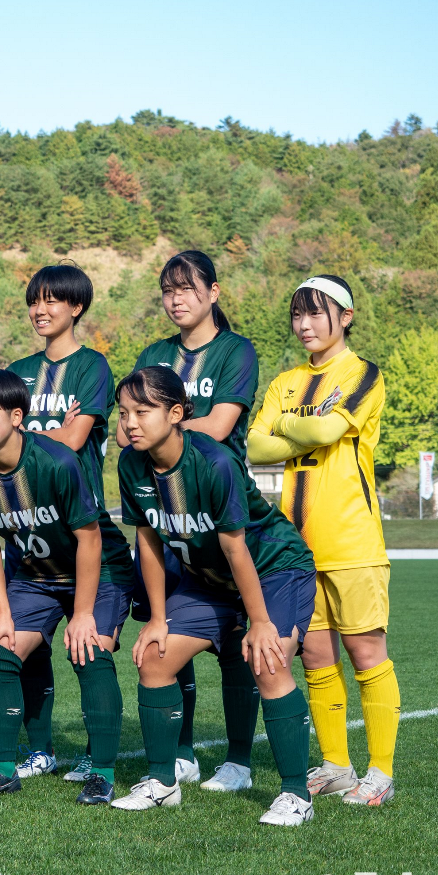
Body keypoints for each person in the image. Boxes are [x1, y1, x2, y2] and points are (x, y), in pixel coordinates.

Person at [116, 368, 317, 823]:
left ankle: (296, 795)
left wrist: (259, 622)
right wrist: (157, 618)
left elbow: (235, 548)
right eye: (123, 413)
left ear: (176, 413)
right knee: (154, 658)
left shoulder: (214, 462)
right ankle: (162, 784)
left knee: (267, 663)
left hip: (273, 568)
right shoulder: (131, 463)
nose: (130, 423)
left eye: (142, 412)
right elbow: (148, 542)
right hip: (208, 578)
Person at [248, 274, 398, 808]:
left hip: (353, 541)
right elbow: (254, 446)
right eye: (297, 314)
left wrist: (287, 426)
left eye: (316, 313)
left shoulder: (363, 374)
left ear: (346, 317)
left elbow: (328, 432)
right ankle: (336, 765)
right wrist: (304, 425)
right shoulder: (286, 381)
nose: (305, 324)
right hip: (297, 549)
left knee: (366, 653)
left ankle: (380, 772)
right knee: (314, 656)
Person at [118, 250, 262, 792]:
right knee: (170, 635)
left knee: (234, 640)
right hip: (163, 513)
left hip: (216, 507)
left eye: (186, 288)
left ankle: (239, 761)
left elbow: (220, 426)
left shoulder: (235, 351)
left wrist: (157, 428)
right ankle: (180, 755)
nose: (176, 299)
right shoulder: (155, 353)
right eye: (168, 289)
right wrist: (144, 425)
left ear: (213, 292)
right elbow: (124, 428)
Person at [0, 370, 127, 806]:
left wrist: (83, 614)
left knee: (90, 650)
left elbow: (90, 539)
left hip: (100, 569)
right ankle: (3, 771)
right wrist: (1, 612)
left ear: (16, 417)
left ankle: (102, 773)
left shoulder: (56, 461)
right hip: (36, 575)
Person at [4, 264, 134, 783]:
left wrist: (28, 435)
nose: (40, 310)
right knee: (21, 648)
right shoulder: (17, 371)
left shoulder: (92, 366)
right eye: (34, 301)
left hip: (82, 530)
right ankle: (40, 751)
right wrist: (50, 430)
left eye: (52, 300)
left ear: (76, 307)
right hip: (26, 532)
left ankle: (98, 759)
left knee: (89, 649)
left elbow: (76, 439)